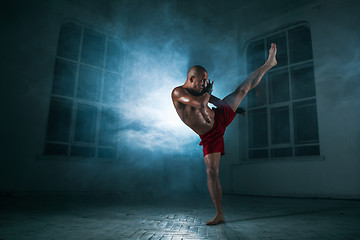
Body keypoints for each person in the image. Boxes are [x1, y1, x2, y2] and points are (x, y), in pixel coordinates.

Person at [171, 43, 277, 225]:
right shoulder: (178, 92)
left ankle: (269, 63)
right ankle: (219, 214)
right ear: (191, 78)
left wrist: (234, 107)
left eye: (206, 81)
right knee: (212, 172)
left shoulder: (202, 90)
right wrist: (208, 92)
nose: (204, 84)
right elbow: (200, 104)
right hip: (210, 136)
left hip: (219, 117)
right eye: (202, 81)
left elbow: (216, 101)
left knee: (242, 89)